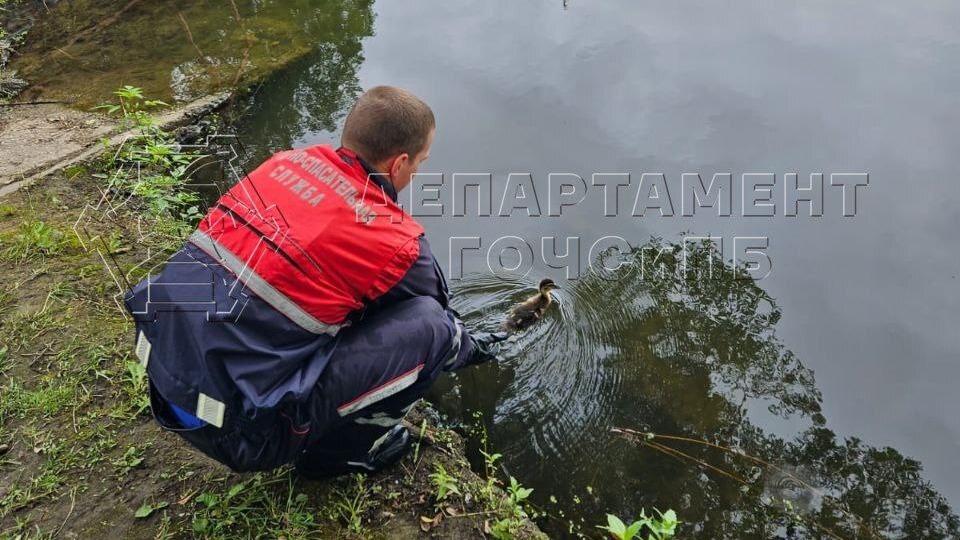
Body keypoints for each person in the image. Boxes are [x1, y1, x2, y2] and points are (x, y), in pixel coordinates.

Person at [124, 86, 507, 477]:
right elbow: (438, 321)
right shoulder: (395, 240)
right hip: (241, 434)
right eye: (420, 163)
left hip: (163, 376)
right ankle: (337, 457)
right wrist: (479, 348)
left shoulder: (282, 164)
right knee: (434, 327)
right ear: (399, 164)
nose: (418, 173)